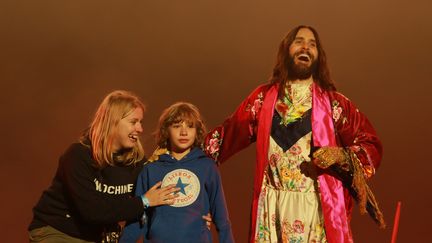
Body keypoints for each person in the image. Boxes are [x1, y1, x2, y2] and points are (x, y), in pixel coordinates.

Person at [204, 25, 385, 243]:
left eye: (312, 44)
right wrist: (180, 156)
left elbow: (371, 144)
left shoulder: (334, 104)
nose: (306, 47)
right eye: (299, 41)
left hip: (316, 212)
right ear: (286, 50)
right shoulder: (262, 100)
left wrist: (342, 156)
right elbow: (226, 136)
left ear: (319, 57)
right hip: (272, 213)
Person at [28, 90, 179, 243]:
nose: (140, 129)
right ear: (113, 122)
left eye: (140, 122)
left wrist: (203, 219)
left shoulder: (136, 161)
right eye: (133, 122)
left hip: (93, 237)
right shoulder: (78, 155)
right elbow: (92, 211)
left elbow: (162, 193)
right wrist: (144, 201)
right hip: (57, 231)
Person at [120, 102, 234, 243]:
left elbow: (222, 219)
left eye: (190, 126)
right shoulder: (150, 170)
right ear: (166, 130)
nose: (184, 132)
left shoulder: (207, 167)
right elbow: (137, 221)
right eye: (177, 126)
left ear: (197, 131)